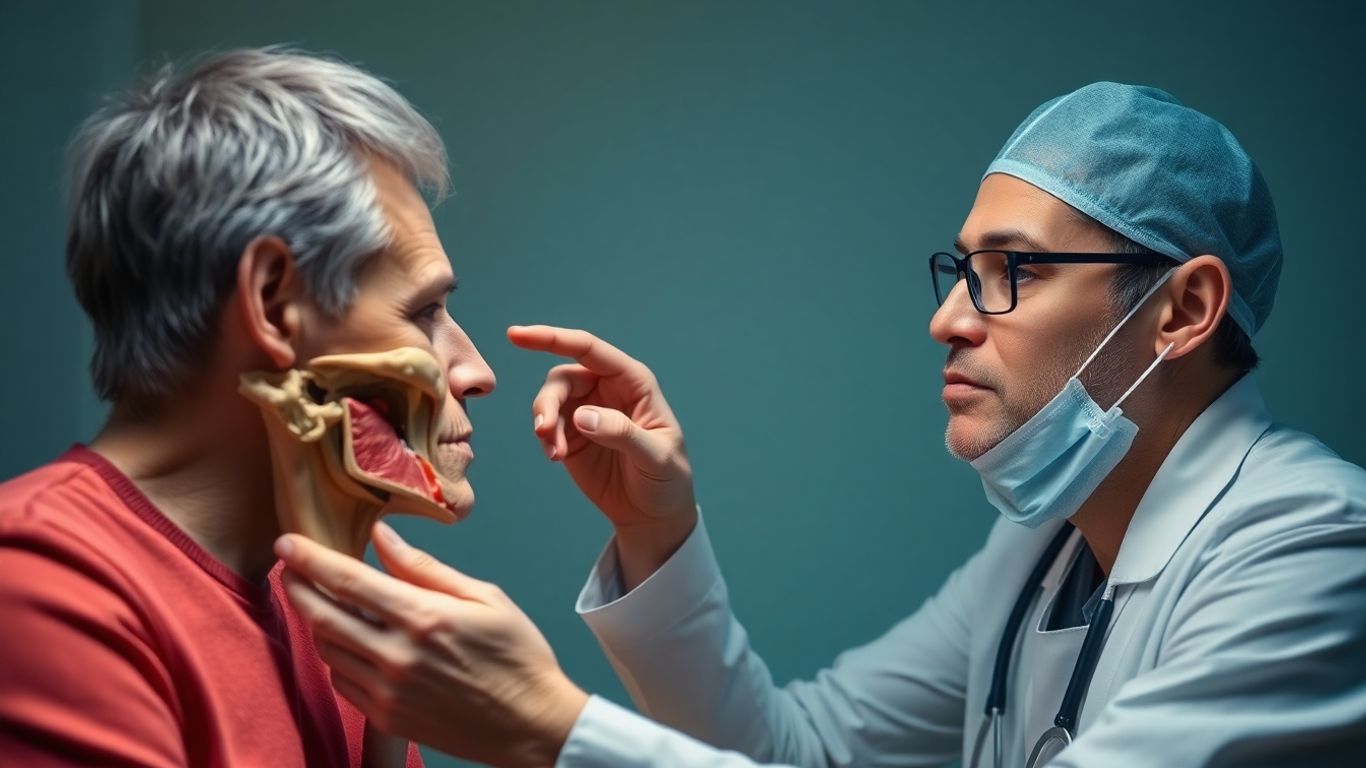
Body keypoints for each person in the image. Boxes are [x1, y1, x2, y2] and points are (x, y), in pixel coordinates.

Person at [276, 83, 1366, 766]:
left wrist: (550, 733)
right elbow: (798, 750)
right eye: (960, 270)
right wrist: (661, 530)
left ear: (1181, 310)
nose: (946, 319)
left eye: (1011, 274)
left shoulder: (1317, 555)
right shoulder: (1042, 550)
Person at [0, 48, 496, 766]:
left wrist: (385, 738)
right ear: (271, 302)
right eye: (423, 313)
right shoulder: (41, 589)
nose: (476, 372)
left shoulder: (331, 612)